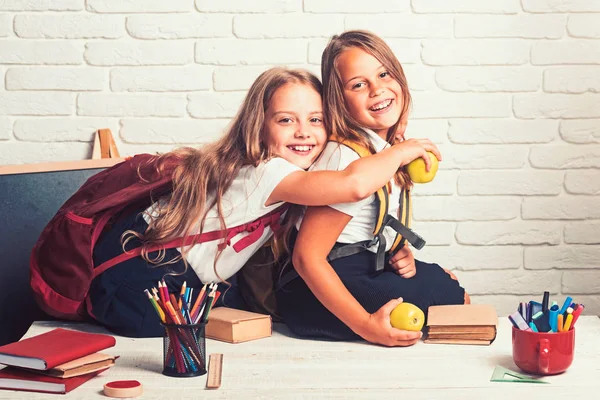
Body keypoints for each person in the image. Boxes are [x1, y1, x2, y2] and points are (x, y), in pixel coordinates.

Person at [87, 67, 436, 338]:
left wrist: (393, 247)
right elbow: (354, 185)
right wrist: (402, 149)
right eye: (286, 120)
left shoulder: (290, 177)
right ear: (259, 126)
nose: (304, 131)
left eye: (316, 120)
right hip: (142, 283)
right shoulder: (266, 172)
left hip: (187, 281)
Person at [276, 31, 469, 347]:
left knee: (445, 283)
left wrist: (395, 248)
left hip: (364, 263)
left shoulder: (382, 151)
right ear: (339, 99)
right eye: (358, 84)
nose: (377, 89)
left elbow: (363, 227)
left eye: (383, 74)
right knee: (452, 298)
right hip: (312, 287)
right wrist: (366, 326)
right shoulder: (347, 158)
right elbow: (307, 258)